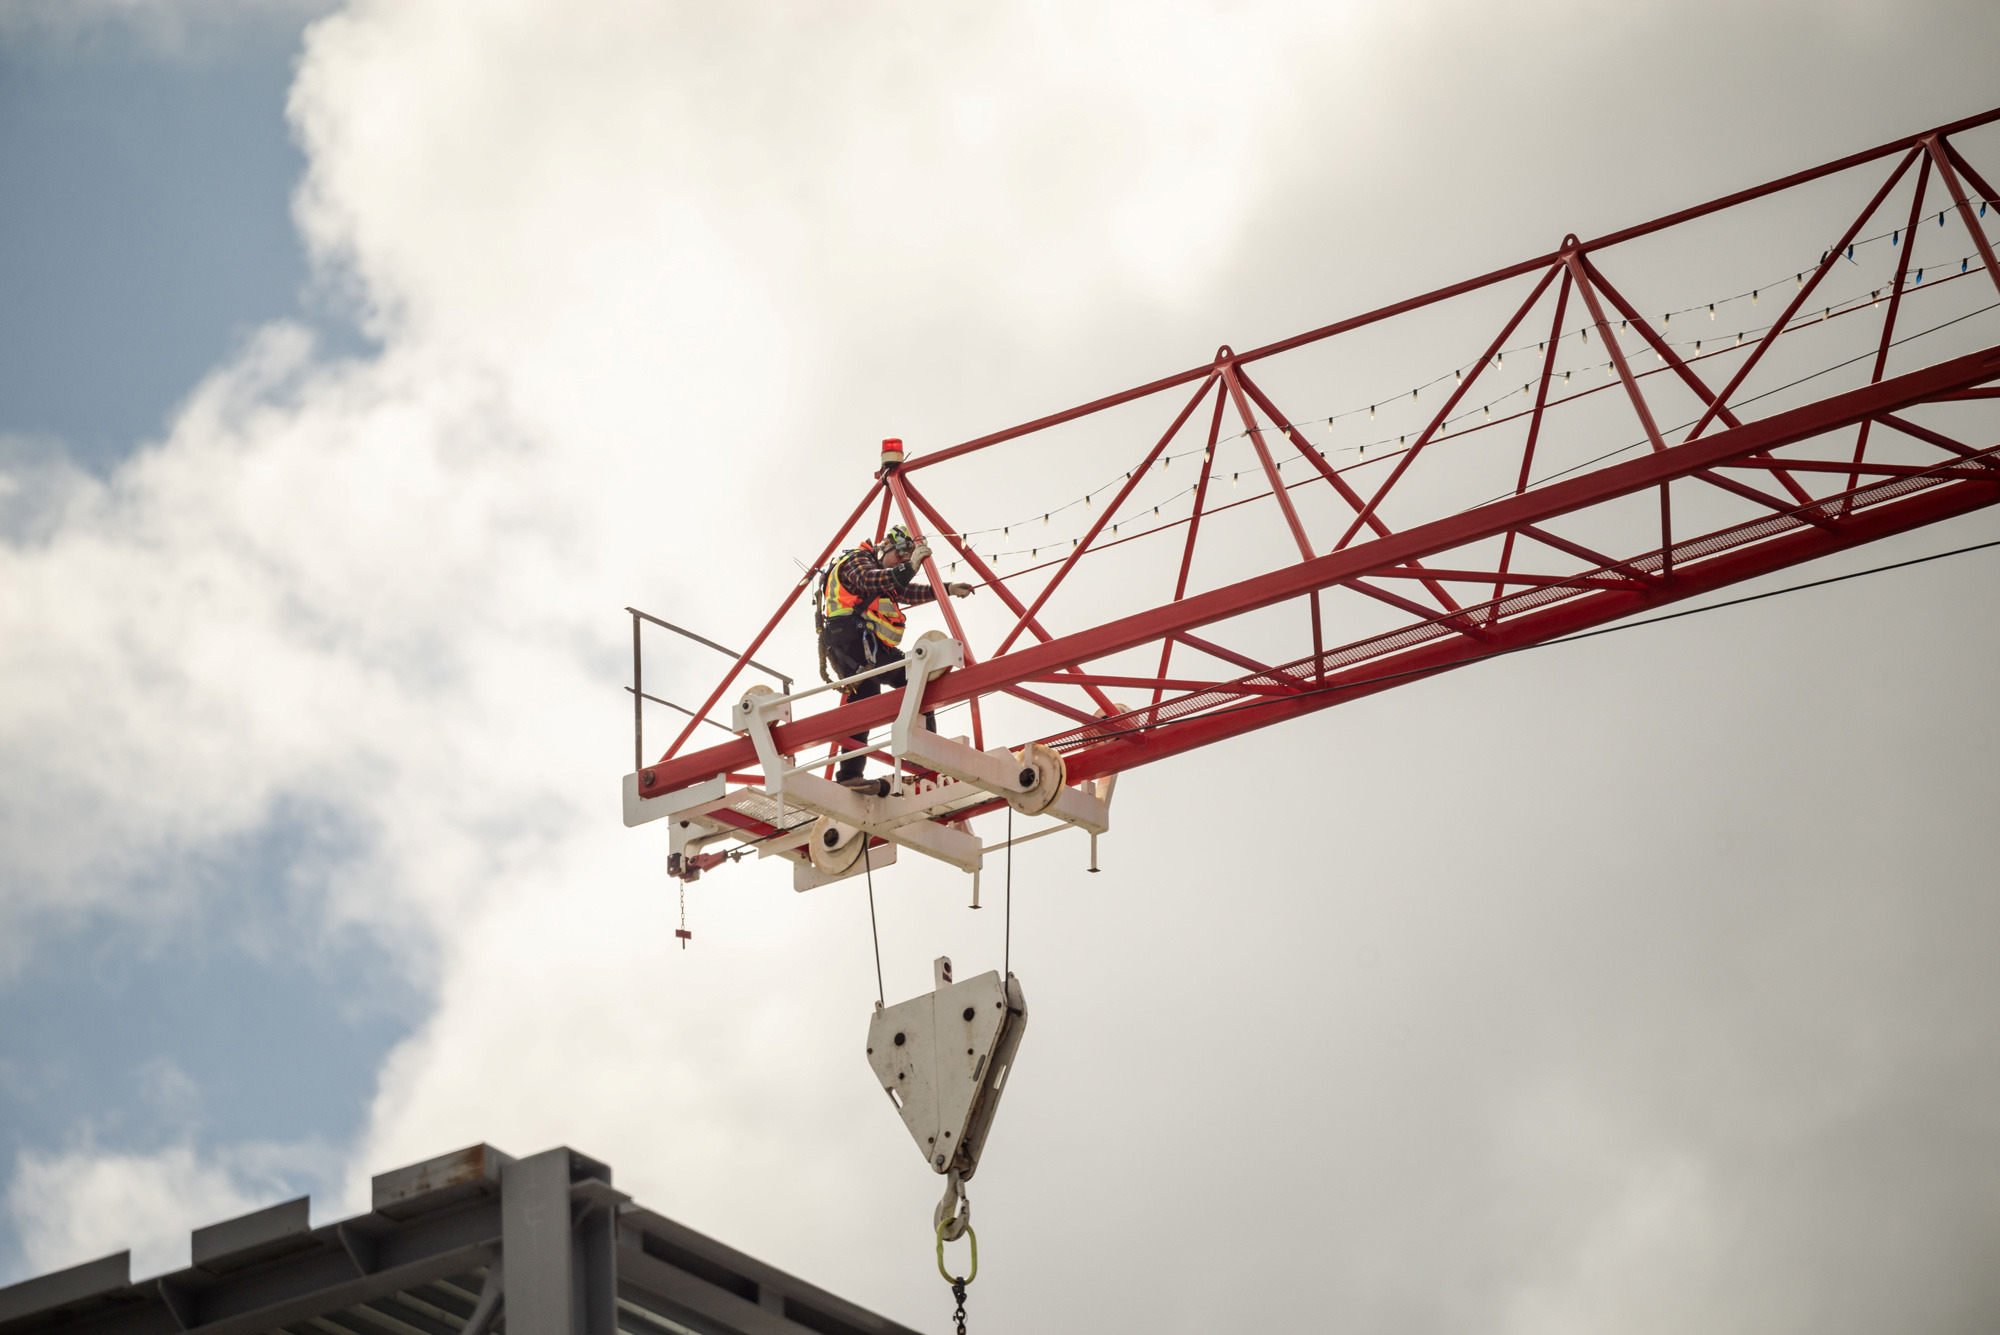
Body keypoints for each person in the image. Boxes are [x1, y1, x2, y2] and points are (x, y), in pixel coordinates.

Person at [818, 523, 973, 787]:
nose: (901, 562)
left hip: (865, 643)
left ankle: (862, 773)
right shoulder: (857, 559)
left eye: (905, 558)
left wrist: (946, 588)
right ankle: (916, 756)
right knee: (890, 686)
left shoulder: (884, 574)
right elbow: (867, 580)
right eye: (899, 555)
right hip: (850, 639)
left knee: (891, 690)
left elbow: (906, 592)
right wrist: (910, 566)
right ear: (885, 546)